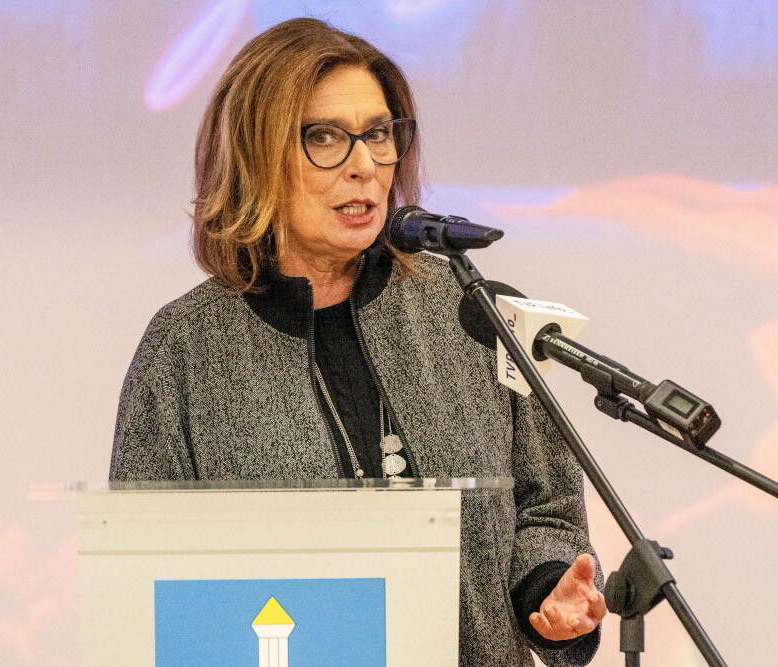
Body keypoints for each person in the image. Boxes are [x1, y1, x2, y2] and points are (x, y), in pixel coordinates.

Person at [109, 18, 604, 666]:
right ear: (256, 156)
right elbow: (144, 577)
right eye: (324, 137)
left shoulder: (471, 312)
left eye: (378, 134)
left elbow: (548, 509)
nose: (365, 165)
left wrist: (550, 592)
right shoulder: (184, 350)